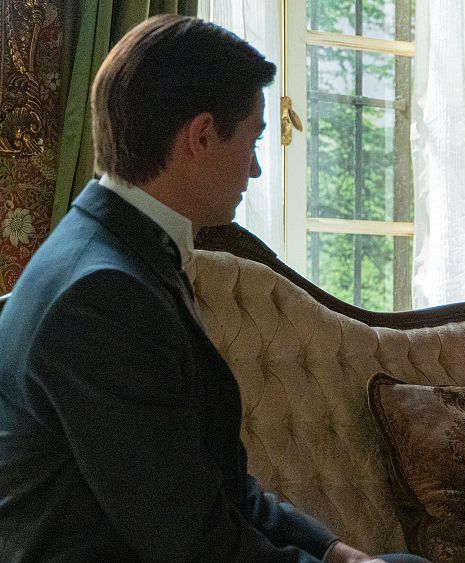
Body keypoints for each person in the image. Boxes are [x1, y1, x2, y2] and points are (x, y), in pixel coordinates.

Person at [0, 15, 428, 563]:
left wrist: (334, 551)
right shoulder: (103, 295)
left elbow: (210, 482)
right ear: (201, 137)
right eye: (253, 139)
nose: (255, 169)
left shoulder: (114, 251)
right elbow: (193, 543)